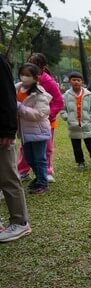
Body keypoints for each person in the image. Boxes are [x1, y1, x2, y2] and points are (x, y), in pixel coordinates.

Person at [17, 53, 63, 183]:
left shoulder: (48, 82)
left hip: (45, 122)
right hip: (28, 122)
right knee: (25, 148)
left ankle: (47, 171)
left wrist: (48, 116)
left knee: (46, 148)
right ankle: (22, 171)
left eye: (35, 65)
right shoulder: (23, 83)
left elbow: (59, 102)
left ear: (42, 67)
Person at [0, 54, 31, 242]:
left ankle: (20, 222)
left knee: (7, 176)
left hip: (1, 132)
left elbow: (6, 96)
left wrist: (7, 130)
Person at [15, 63, 52, 194]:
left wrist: (19, 107)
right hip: (25, 132)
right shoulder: (16, 88)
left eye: (28, 75)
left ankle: (42, 183)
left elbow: (39, 114)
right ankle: (39, 178)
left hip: (39, 131)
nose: (24, 77)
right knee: (29, 158)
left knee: (39, 158)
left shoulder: (40, 94)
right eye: (22, 74)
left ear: (35, 78)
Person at [61, 71, 91, 171]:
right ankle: (80, 162)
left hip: (86, 124)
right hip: (74, 125)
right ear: (69, 82)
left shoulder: (88, 94)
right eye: (74, 80)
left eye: (78, 80)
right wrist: (66, 116)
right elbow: (62, 107)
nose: (76, 82)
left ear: (82, 82)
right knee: (76, 146)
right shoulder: (66, 95)